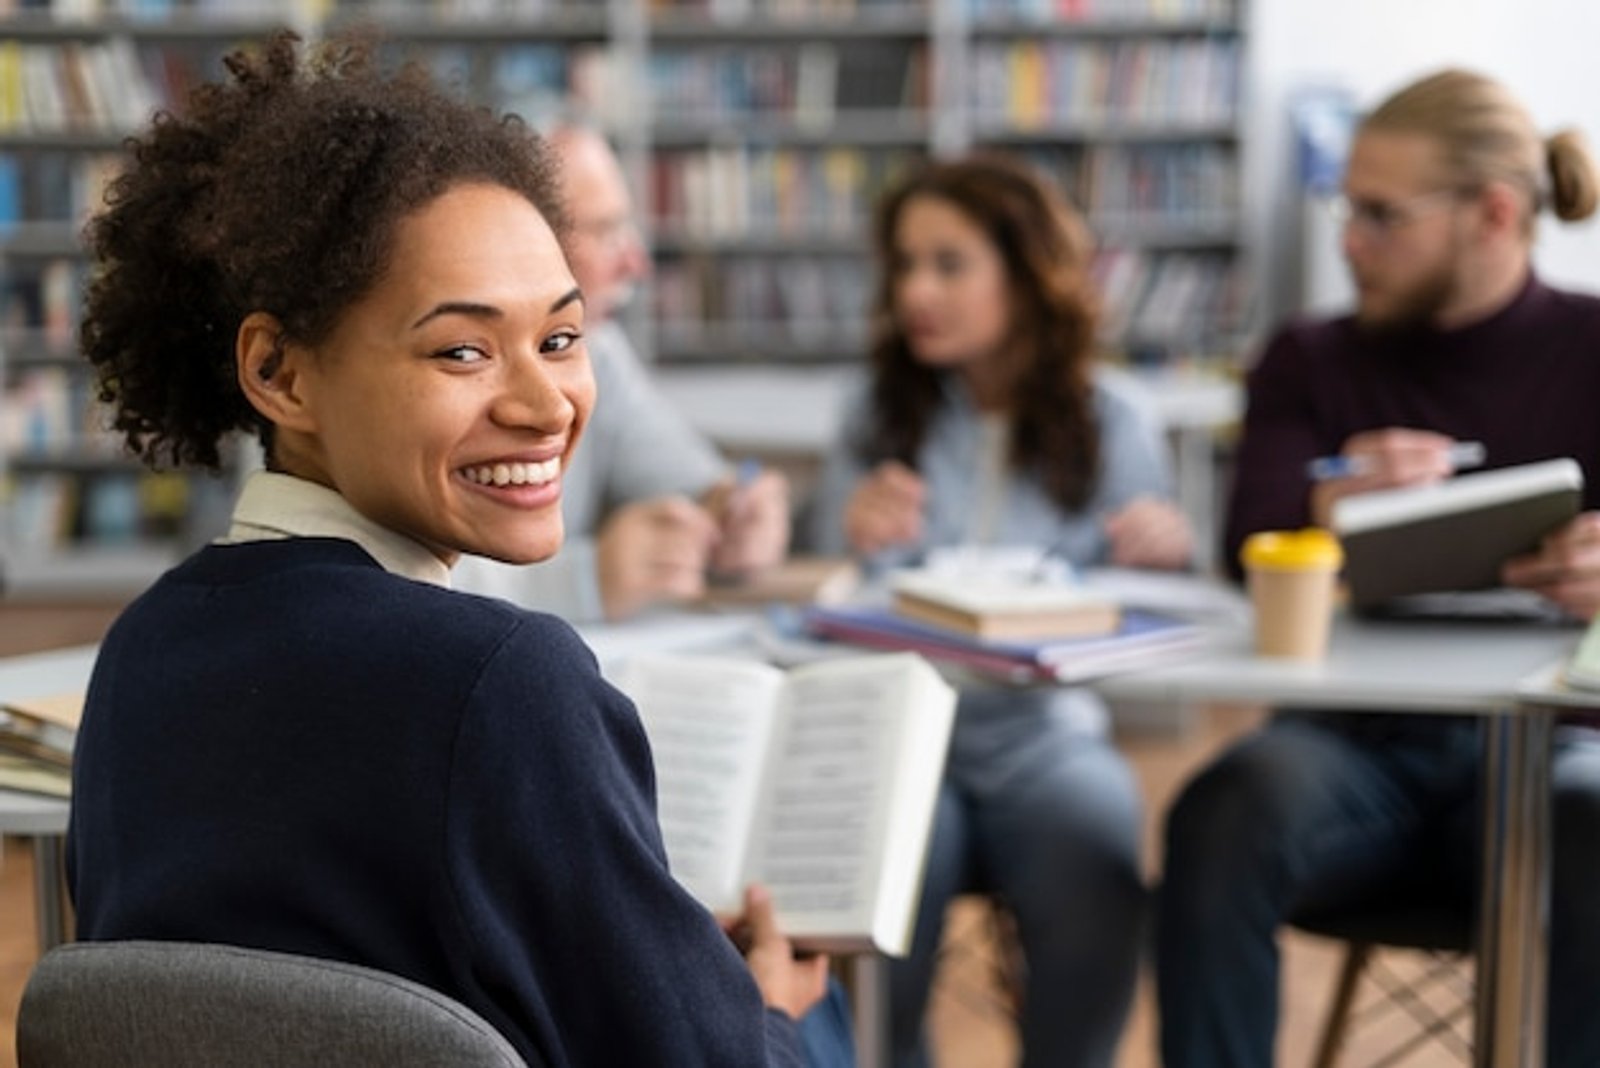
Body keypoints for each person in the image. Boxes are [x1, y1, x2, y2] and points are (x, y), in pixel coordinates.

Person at [64, 32, 842, 1067]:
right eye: (462, 350)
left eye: (561, 340)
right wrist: (777, 1016)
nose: (543, 404)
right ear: (280, 374)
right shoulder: (500, 681)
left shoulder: (140, 651)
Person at [1159, 68, 1600, 1068]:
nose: (1347, 241)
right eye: (1344, 209)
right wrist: (1325, 503)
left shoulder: (1591, 347)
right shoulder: (1310, 358)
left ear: (1492, 214)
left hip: (1558, 741)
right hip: (1356, 750)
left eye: (1378, 215)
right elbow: (1246, 536)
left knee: (1593, 815)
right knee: (1227, 808)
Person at [807, 154, 1194, 1067]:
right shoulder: (872, 415)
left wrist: (1168, 551)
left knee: (1099, 841)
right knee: (884, 875)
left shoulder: (1116, 420)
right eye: (904, 265)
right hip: (900, 731)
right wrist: (846, 539)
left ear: (1026, 274)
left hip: (1045, 735)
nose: (916, 292)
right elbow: (812, 596)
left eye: (948, 264)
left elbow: (1161, 603)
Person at [452, 121, 790, 622]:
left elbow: (696, 487)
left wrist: (738, 514)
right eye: (606, 231)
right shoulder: (436, 382)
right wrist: (582, 580)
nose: (637, 263)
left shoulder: (602, 351)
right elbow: (393, 572)